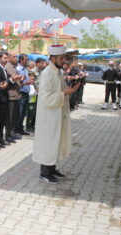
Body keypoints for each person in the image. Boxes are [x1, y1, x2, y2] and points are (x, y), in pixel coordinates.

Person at [32, 45, 80, 184]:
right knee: (48, 143)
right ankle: (44, 173)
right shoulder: (48, 73)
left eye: (63, 57)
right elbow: (46, 97)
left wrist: (70, 90)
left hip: (56, 114)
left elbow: (60, 90)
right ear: (53, 58)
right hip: (49, 116)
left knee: (55, 142)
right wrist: (65, 93)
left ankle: (52, 169)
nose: (63, 60)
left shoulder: (56, 72)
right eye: (61, 58)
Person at [0, 52, 11, 147]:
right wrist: (4, 84)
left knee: (2, 120)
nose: (6, 60)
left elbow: (6, 81)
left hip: (5, 97)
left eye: (7, 58)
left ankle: (0, 138)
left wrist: (9, 81)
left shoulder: (4, 68)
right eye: (5, 58)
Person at [5, 52, 23, 142]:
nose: (16, 58)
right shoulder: (8, 67)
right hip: (11, 95)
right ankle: (8, 135)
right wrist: (16, 78)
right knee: (10, 117)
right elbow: (10, 79)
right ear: (9, 58)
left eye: (16, 56)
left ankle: (12, 133)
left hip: (16, 95)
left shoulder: (13, 67)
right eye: (14, 56)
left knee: (14, 116)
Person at [15, 54, 34, 135]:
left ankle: (20, 129)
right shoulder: (18, 69)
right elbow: (17, 83)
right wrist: (26, 83)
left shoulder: (25, 69)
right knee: (19, 113)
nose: (27, 61)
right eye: (26, 59)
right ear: (21, 60)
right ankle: (16, 130)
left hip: (26, 93)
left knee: (23, 114)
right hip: (21, 93)